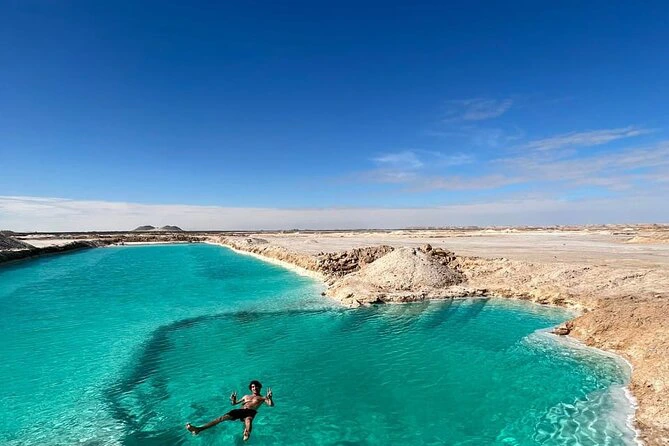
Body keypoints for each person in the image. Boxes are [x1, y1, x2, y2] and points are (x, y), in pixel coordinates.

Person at [186, 380, 274, 441]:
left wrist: (270, 398)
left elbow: (271, 405)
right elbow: (234, 404)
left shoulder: (263, 398)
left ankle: (246, 434)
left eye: (256, 386)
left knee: (248, 420)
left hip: (250, 412)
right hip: (240, 410)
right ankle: (198, 429)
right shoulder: (245, 396)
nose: (254, 388)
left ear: (260, 387)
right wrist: (233, 399)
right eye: (252, 387)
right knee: (221, 418)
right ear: (251, 389)